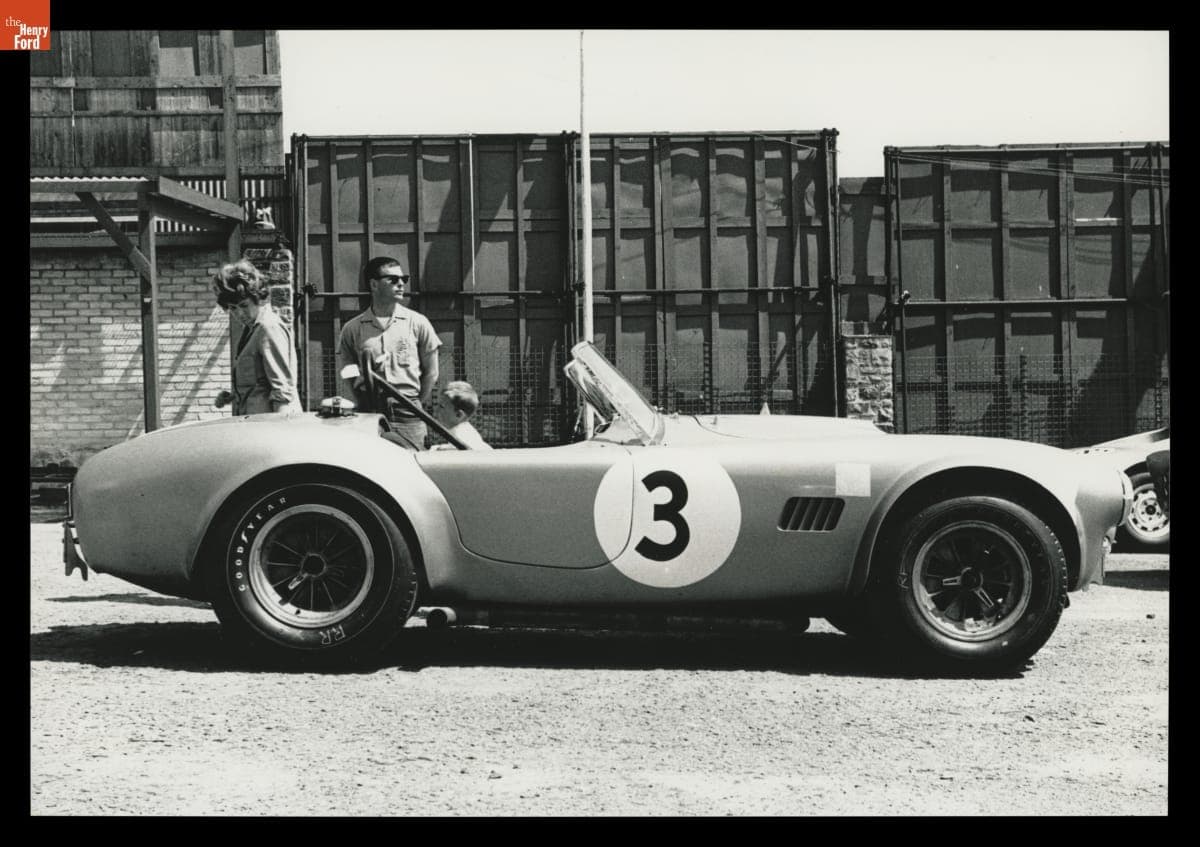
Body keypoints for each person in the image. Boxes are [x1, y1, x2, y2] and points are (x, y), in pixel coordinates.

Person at [338, 256, 441, 449]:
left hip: (409, 412)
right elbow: (346, 372)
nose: (401, 284)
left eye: (404, 279)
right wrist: (361, 400)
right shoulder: (352, 329)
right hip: (369, 413)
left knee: (414, 463)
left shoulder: (418, 323)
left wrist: (415, 402)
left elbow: (431, 372)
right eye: (393, 279)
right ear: (374, 284)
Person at [212, 259, 301, 415]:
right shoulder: (251, 330)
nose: (239, 314)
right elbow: (258, 385)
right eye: (233, 308)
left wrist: (279, 433)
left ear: (257, 298)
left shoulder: (268, 327)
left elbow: (283, 391)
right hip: (251, 424)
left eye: (244, 306)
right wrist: (232, 397)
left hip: (267, 428)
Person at [430, 381, 492, 450]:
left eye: (441, 406)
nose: (436, 410)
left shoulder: (460, 436)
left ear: (459, 414)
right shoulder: (467, 430)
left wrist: (437, 449)